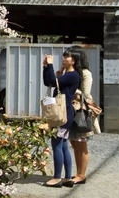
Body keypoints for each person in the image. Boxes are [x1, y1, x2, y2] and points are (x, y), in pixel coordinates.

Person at [42, 48, 82, 188]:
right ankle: (67, 178)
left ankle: (57, 177)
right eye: (64, 56)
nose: (64, 59)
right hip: (65, 114)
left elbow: (53, 80)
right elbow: (49, 82)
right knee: (63, 145)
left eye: (67, 57)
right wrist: (46, 67)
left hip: (62, 114)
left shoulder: (73, 75)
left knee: (57, 144)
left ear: (74, 60)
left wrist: (51, 66)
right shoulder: (68, 74)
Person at [68, 46, 100, 185]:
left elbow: (86, 94)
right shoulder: (71, 71)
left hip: (81, 111)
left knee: (81, 144)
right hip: (71, 109)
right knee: (74, 143)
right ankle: (78, 173)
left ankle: (82, 175)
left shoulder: (85, 73)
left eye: (69, 56)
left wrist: (72, 88)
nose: (66, 58)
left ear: (76, 58)